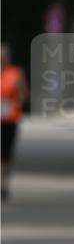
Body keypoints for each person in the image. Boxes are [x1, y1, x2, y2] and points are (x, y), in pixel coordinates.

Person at [1, 43, 29, 201]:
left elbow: (25, 95)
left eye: (3, 57)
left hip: (9, 120)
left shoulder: (16, 73)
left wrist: (20, 96)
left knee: (5, 154)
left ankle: (4, 184)